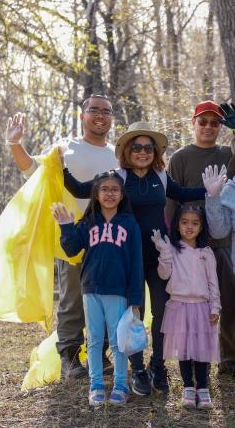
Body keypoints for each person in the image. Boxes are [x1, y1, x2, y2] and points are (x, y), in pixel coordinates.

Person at [62, 121, 206, 396]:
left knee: (163, 310)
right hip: (125, 257)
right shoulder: (118, 177)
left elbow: (185, 194)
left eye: (148, 148)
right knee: (131, 314)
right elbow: (83, 190)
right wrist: (61, 169)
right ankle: (137, 368)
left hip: (159, 254)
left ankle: (158, 366)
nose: (142, 152)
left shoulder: (161, 177)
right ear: (127, 150)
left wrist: (211, 189)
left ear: (155, 152)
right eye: (137, 147)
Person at [5, 94, 117, 380]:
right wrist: (15, 143)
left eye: (106, 111)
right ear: (83, 116)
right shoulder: (65, 148)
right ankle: (69, 356)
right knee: (74, 299)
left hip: (110, 238)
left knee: (106, 297)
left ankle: (99, 353)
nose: (100, 116)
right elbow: (32, 171)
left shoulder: (118, 154)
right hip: (73, 237)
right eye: (94, 110)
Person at [166, 101, 235, 381]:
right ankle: (191, 359)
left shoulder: (228, 155)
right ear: (194, 124)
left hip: (222, 240)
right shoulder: (180, 158)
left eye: (215, 123)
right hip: (189, 244)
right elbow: (171, 199)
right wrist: (172, 240)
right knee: (191, 303)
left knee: (231, 302)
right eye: (203, 122)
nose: (209, 127)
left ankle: (231, 361)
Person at [52, 171, 144, 406]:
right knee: (93, 339)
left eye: (115, 189)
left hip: (118, 291)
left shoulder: (130, 224)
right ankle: (96, 385)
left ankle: (121, 385)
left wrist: (135, 300)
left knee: (117, 340)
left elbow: (136, 264)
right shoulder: (89, 222)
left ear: (122, 195)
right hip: (90, 289)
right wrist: (66, 227)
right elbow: (72, 249)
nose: (110, 193)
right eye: (105, 189)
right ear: (96, 194)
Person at [151, 205, 220, 409]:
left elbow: (213, 282)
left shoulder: (206, 253)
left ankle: (203, 387)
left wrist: (215, 306)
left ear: (201, 227)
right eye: (184, 222)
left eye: (195, 223)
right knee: (184, 349)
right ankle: (188, 386)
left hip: (202, 307)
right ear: (177, 225)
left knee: (200, 349)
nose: (189, 227)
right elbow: (164, 275)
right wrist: (163, 253)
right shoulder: (172, 249)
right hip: (179, 306)